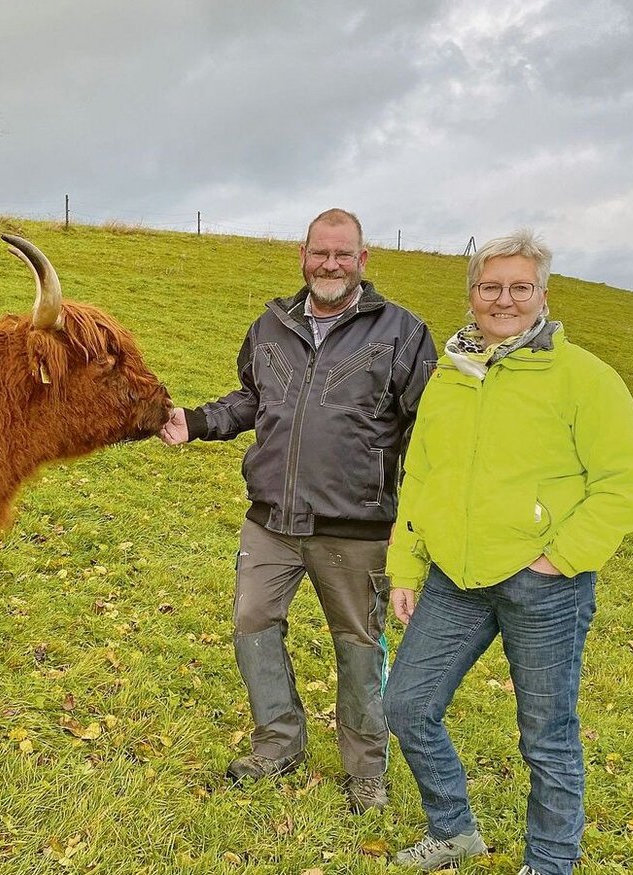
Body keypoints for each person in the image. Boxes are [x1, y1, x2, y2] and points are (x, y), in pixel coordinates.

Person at [382, 230, 633, 874]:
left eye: (519, 286)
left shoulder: (584, 376)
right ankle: (453, 831)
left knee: (547, 737)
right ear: (472, 295)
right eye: (490, 286)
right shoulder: (450, 375)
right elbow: (421, 476)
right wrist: (406, 566)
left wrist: (559, 558)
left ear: (543, 294)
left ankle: (550, 862)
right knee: (407, 705)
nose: (503, 299)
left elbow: (626, 482)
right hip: (454, 577)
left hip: (545, 585)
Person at [160, 208, 436, 813]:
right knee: (252, 624)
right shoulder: (271, 325)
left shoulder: (403, 333)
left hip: (356, 528)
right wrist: (197, 421)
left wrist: (415, 521)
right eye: (320, 253)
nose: (330, 265)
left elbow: (429, 432)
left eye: (343, 254)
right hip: (271, 521)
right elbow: (252, 399)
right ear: (303, 255)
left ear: (363, 260)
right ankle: (279, 743)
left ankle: (366, 769)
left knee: (359, 644)